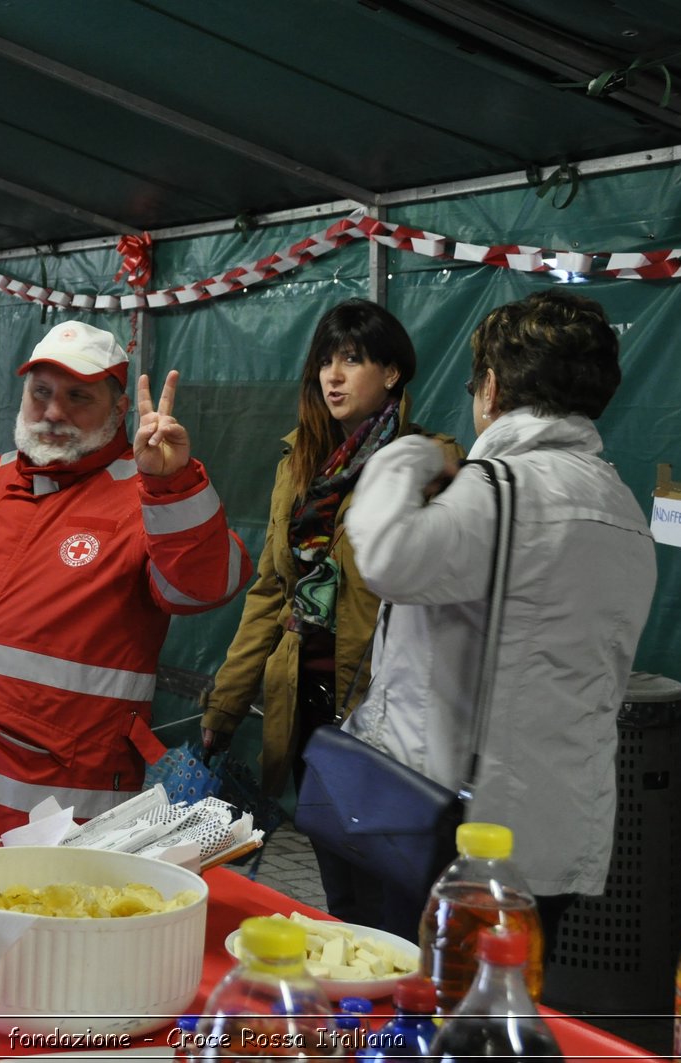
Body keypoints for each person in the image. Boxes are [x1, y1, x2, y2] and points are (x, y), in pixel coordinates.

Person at [344, 288, 656, 943]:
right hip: (561, 833)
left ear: (490, 386)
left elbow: (385, 557)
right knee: (498, 1014)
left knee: (414, 1012)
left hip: (451, 835)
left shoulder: (500, 489)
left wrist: (414, 454)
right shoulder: (624, 506)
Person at [0, 320, 250, 839]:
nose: (53, 412)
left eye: (78, 397)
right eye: (40, 393)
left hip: (55, 822)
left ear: (118, 408)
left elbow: (202, 587)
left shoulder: (148, 495)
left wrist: (173, 484)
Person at [200, 299, 456, 928]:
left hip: (388, 698)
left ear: (392, 373)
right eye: (325, 361)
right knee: (336, 867)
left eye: (352, 360)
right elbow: (269, 593)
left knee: (394, 882)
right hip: (310, 689)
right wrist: (225, 708)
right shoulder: (301, 464)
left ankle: (401, 994)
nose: (333, 376)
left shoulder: (432, 462)